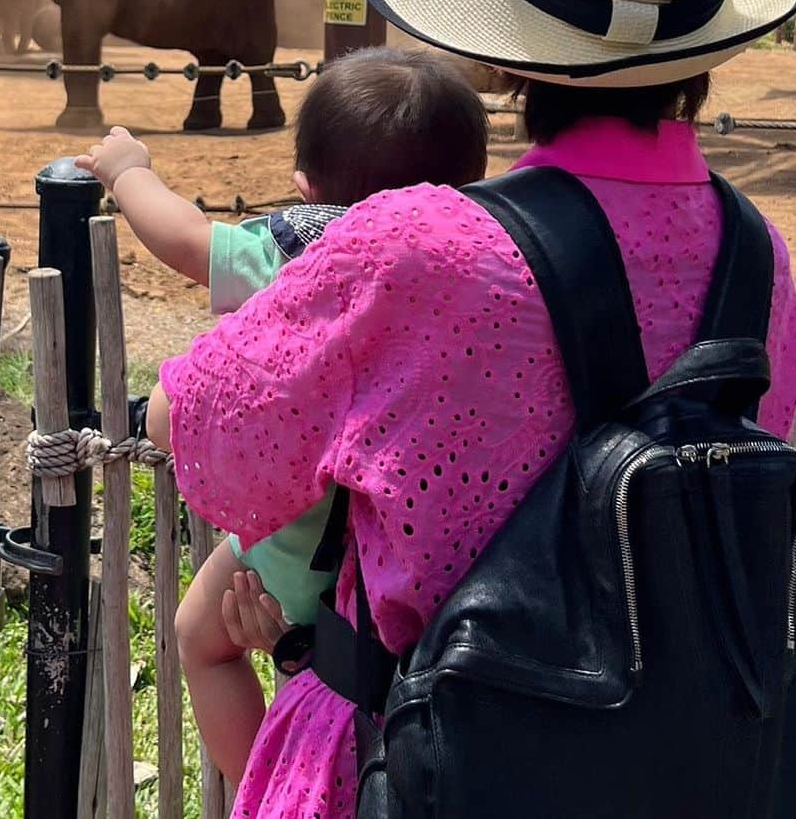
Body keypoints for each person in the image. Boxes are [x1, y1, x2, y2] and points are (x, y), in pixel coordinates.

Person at [144, 0, 796, 818]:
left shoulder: (414, 245)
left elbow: (205, 432)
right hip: (679, 775)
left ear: (502, 38)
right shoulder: (757, 257)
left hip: (415, 758)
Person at [74, 46, 489, 785]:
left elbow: (185, 238)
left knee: (199, 636)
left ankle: (261, 785)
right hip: (421, 545)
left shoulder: (298, 245)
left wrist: (127, 169)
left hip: (301, 556)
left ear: (306, 180)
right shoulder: (478, 265)